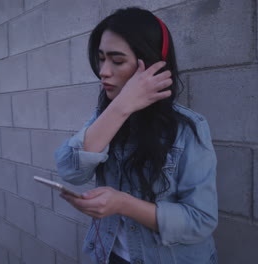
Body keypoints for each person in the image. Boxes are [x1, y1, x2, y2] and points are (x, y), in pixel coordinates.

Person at [55, 7, 218, 264]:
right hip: (110, 255)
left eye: (117, 61)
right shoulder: (106, 117)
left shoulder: (189, 128)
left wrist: (123, 204)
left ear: (150, 65)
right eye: (101, 58)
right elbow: (70, 171)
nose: (103, 71)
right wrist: (121, 108)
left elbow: (201, 220)